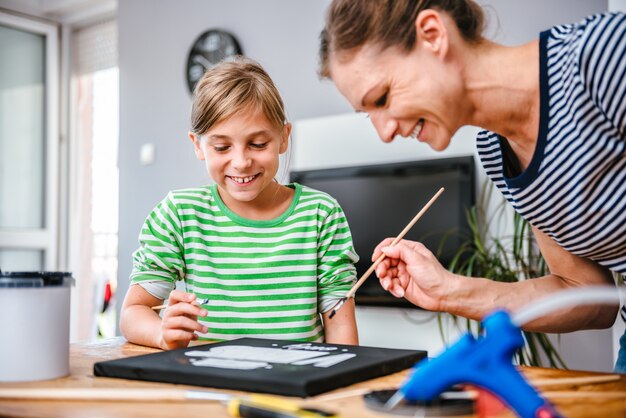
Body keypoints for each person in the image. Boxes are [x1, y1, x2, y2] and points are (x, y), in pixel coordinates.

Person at [319, 0, 626, 371]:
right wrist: (447, 290)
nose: (385, 132)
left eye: (382, 99)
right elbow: (590, 297)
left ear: (433, 35)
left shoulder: (600, 57)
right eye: (369, 114)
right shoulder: (496, 149)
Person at [120, 56, 359, 350]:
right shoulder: (180, 215)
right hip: (211, 388)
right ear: (198, 145)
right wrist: (162, 334)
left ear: (283, 137)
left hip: (297, 392)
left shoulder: (321, 214)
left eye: (258, 144)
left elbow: (342, 329)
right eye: (222, 147)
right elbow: (133, 312)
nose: (242, 162)